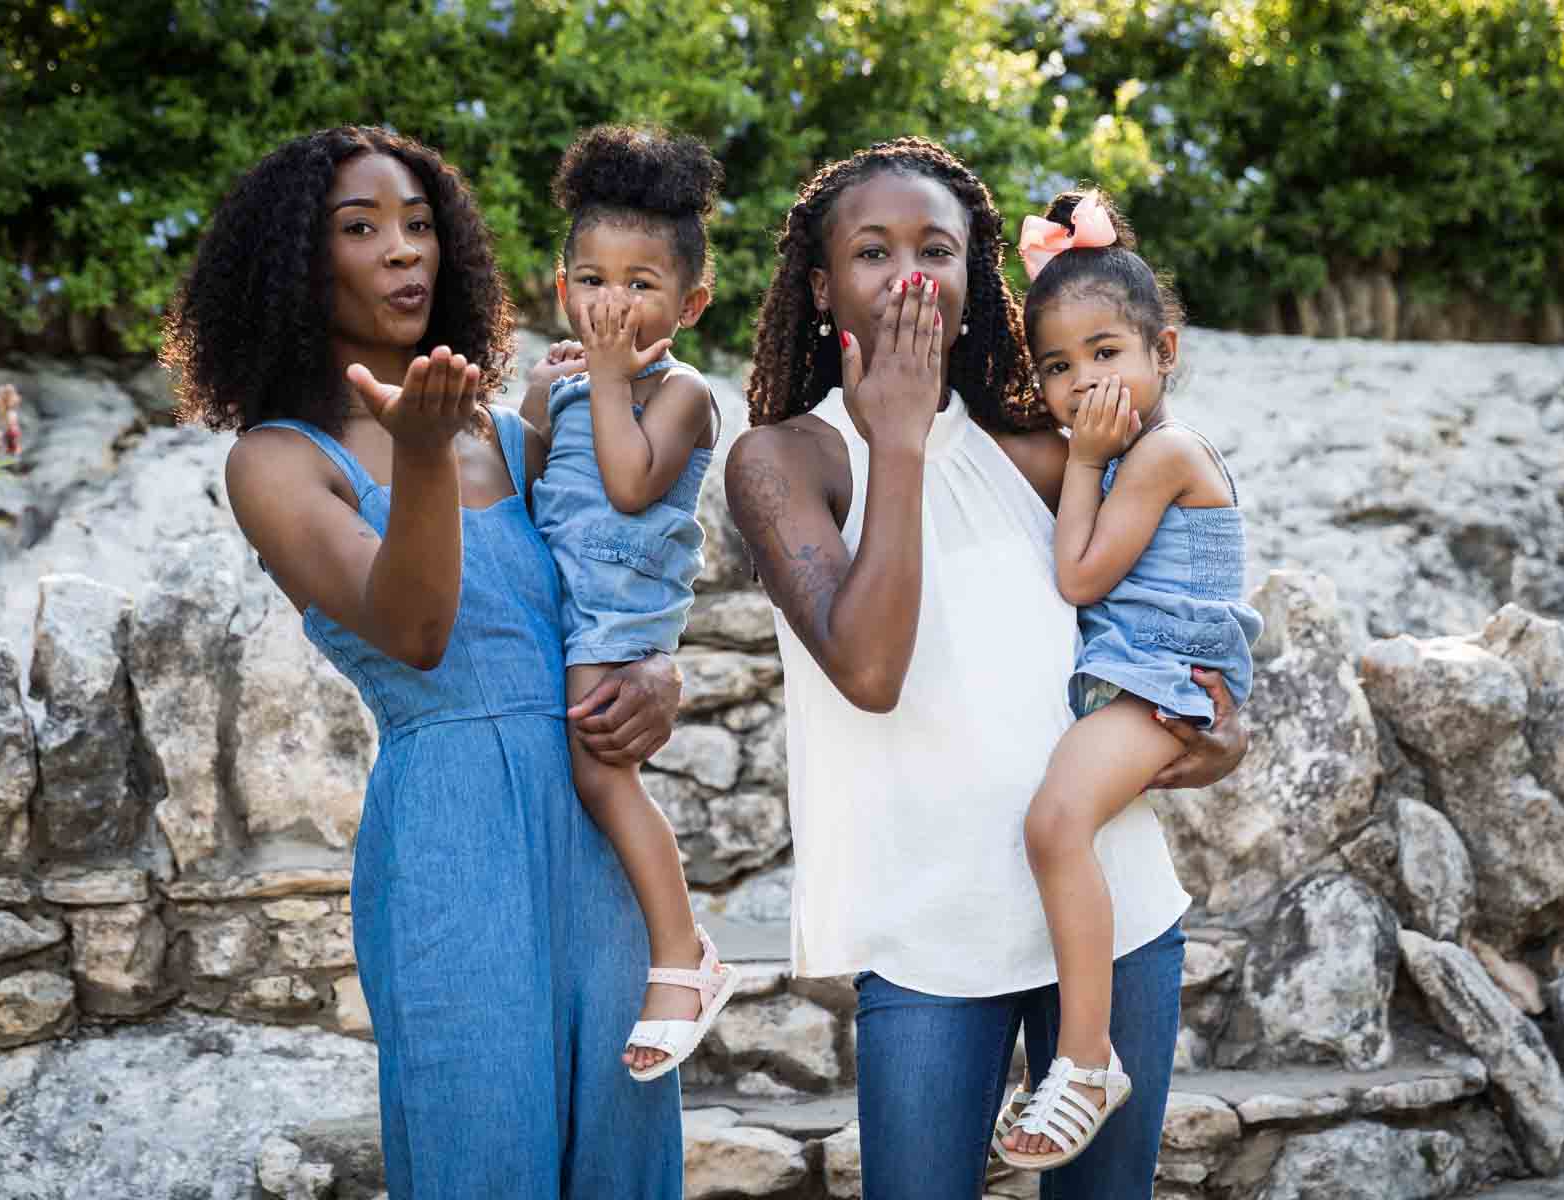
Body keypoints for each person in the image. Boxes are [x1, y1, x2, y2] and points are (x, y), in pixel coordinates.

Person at [724, 136, 1248, 1200]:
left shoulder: (1041, 447)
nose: (910, 273)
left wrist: (1225, 713)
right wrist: (900, 443)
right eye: (873, 252)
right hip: (927, 936)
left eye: (939, 248)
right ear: (822, 286)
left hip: (1112, 912)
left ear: (976, 279)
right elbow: (869, 669)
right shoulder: (783, 460)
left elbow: (1187, 563)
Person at [165, 125, 683, 1199]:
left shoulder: (510, 429)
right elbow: (416, 630)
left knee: (622, 1150)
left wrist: (656, 675)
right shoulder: (273, 462)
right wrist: (416, 457)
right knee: (479, 1140)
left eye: (418, 225)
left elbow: (610, 582)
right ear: (296, 267)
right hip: (452, 835)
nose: (404, 251)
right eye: (361, 229)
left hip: (595, 827)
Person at [992, 189, 1262, 1171]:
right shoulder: (1123, 456)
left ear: (1165, 353)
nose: (1081, 381)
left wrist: (1084, 459)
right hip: (1138, 675)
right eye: (1058, 366)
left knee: (1054, 824)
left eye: (1107, 353)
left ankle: (1085, 1057)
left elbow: (1079, 575)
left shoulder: (1159, 456)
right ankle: (1082, 1053)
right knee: (1058, 825)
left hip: (1166, 678)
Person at [518, 126, 739, 1082]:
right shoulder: (569, 381)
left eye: (641, 285)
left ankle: (684, 957)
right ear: (562, 286)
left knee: (605, 774)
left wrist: (605, 382)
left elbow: (633, 480)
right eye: (594, 280)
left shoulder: (682, 391)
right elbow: (526, 485)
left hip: (622, 608)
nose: (613, 304)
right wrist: (536, 403)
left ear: (689, 303)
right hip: (564, 599)